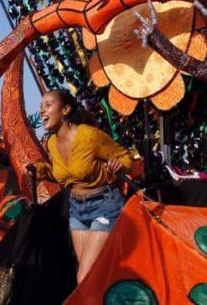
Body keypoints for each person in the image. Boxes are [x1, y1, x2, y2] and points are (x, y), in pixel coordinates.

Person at [27, 89, 133, 284]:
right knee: (92, 279)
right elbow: (64, 175)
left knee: (85, 277)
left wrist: (120, 163)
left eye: (48, 105)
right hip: (77, 210)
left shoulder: (89, 136)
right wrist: (39, 170)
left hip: (104, 206)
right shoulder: (51, 143)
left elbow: (126, 156)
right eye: (41, 106)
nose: (42, 110)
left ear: (65, 109)